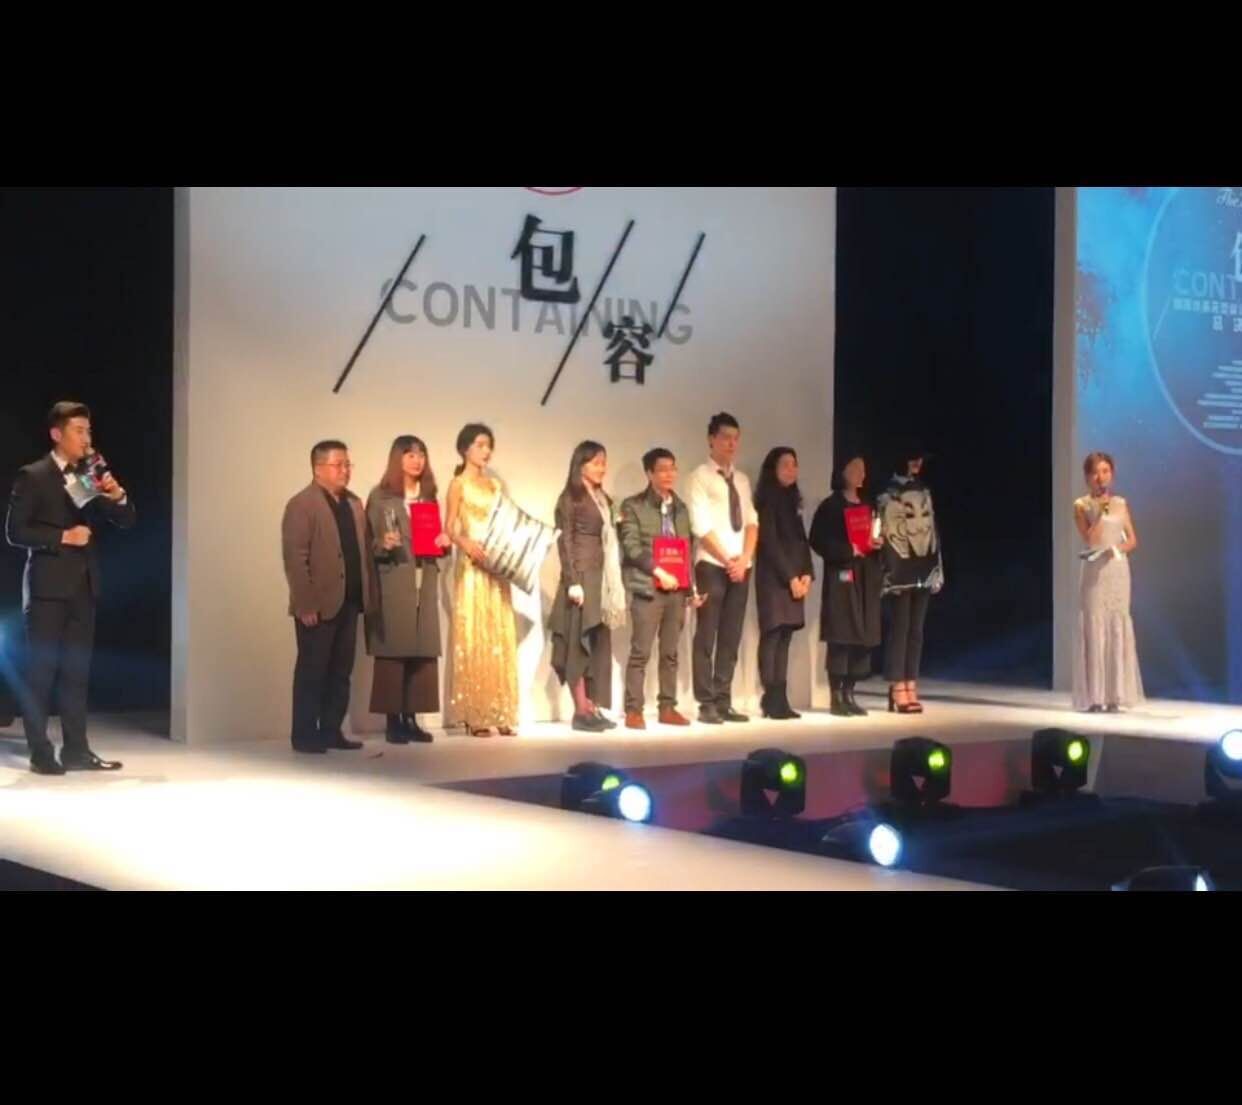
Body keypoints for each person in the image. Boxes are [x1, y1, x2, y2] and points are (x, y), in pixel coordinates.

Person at [5, 401, 135, 774]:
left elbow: (126, 519)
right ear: (57, 434)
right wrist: (63, 536)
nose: (86, 438)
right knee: (41, 673)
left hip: (84, 586)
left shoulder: (89, 475)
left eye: (89, 430)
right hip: (47, 590)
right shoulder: (33, 475)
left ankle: (77, 750)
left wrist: (117, 495)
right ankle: (40, 752)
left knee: (77, 674)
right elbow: (15, 531)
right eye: (79, 430)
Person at [281, 440, 378, 754]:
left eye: (348, 464)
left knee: (340, 672)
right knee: (312, 671)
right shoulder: (302, 504)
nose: (345, 471)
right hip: (318, 605)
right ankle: (304, 735)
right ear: (318, 468)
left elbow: (362, 548)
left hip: (349, 601)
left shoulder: (354, 503)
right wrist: (305, 603)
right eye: (339, 465)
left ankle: (331, 730)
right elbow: (295, 558)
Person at [365, 435, 451, 744]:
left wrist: (444, 544)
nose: (417, 461)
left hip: (424, 579)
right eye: (410, 455)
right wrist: (383, 544)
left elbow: (436, 541)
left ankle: (412, 718)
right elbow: (368, 543)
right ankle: (393, 721)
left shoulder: (429, 497)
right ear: (397, 458)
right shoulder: (380, 496)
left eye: (421, 455)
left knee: (421, 650)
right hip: (395, 578)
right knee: (395, 650)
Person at [617, 447, 707, 730]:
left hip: (676, 592)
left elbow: (686, 550)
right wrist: (658, 571)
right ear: (649, 473)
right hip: (648, 589)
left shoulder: (680, 508)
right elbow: (631, 547)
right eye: (662, 469)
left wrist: (691, 589)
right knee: (640, 652)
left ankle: (667, 706)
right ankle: (634, 710)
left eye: (672, 468)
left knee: (670, 653)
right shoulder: (633, 506)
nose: (669, 474)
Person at [443, 423, 519, 736]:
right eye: (480, 445)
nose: (486, 451)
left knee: (499, 633)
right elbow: (449, 527)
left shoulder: (495, 486)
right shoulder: (457, 484)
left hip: (496, 564)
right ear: (465, 449)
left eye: (489, 445)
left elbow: (506, 522)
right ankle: (476, 713)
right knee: (475, 632)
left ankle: (500, 711)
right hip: (472, 566)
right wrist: (465, 544)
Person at [687, 412, 759, 724]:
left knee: (731, 635)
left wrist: (744, 559)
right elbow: (700, 526)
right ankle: (706, 702)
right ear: (711, 439)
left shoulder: (741, 480)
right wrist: (729, 560)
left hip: (741, 566)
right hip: (712, 564)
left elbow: (752, 522)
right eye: (725, 437)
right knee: (707, 635)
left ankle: (723, 698)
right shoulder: (699, 477)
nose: (731, 443)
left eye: (735, 438)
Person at [549, 441, 627, 732]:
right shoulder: (570, 497)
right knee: (577, 645)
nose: (602, 468)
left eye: (604, 462)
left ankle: (592, 708)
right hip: (581, 576)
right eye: (596, 462)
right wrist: (572, 582)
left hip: (602, 579)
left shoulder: (602, 498)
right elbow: (565, 541)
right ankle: (580, 711)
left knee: (597, 646)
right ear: (580, 465)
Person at [809, 454, 884, 717]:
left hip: (865, 575)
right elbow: (817, 540)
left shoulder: (868, 505)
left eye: (863, 469)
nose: (861, 474)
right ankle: (836, 696)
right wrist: (847, 549)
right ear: (842, 472)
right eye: (855, 469)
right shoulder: (831, 506)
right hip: (842, 575)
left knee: (862, 634)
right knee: (841, 633)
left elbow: (874, 536)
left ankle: (850, 693)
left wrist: (876, 543)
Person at [1072, 451, 1144, 712]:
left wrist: (1116, 549)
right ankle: (1095, 696)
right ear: (1087, 477)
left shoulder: (1121, 503)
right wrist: (1101, 513)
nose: (1100, 477)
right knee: (1095, 627)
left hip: (1116, 570)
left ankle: (1115, 695)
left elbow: (1132, 540)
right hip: (1094, 571)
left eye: (1105, 471)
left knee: (1116, 626)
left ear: (1111, 474)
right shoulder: (1081, 505)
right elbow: (1090, 539)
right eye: (1095, 473)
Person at [876, 446, 943, 713]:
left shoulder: (924, 490)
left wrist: (937, 568)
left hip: (924, 563)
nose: (917, 463)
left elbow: (932, 529)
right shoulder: (889, 492)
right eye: (912, 458)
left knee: (916, 629)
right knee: (900, 627)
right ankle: (897, 684)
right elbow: (888, 532)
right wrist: (890, 572)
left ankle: (911, 681)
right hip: (900, 566)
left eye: (919, 459)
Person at [753, 447, 814, 719]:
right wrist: (790, 577)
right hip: (774, 579)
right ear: (773, 469)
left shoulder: (793, 501)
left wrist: (807, 574)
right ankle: (771, 697)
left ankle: (781, 698)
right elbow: (770, 543)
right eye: (785, 465)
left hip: (794, 579)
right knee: (773, 634)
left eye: (794, 465)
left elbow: (802, 542)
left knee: (786, 636)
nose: (791, 470)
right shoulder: (768, 501)